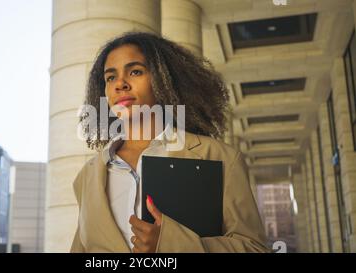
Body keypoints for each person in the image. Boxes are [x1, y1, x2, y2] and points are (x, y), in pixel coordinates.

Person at [70, 32, 270, 253]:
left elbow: (254, 248)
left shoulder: (219, 157)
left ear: (163, 79)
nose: (120, 84)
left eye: (135, 71)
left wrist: (173, 245)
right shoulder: (87, 176)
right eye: (110, 77)